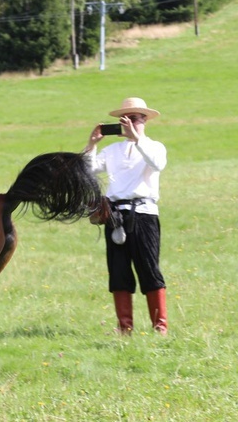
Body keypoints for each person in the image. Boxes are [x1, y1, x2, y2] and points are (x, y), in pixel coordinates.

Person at [84, 97, 168, 335]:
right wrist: (91, 145)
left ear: (145, 121)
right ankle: (125, 329)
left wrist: (138, 138)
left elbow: (157, 163)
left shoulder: (154, 147)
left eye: (136, 118)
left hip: (144, 214)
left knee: (149, 269)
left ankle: (160, 327)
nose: (131, 123)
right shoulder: (112, 151)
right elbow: (88, 171)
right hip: (115, 216)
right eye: (126, 119)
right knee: (119, 271)